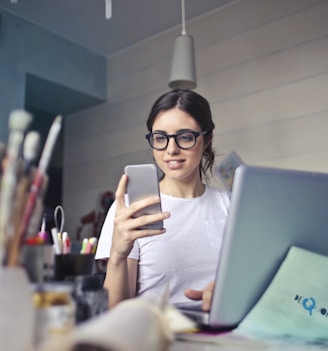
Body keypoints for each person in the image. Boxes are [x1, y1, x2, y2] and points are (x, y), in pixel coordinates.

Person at [95, 89, 230, 311]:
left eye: (185, 137)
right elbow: (115, 312)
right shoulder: (131, 209)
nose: (171, 149)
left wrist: (227, 295)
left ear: (207, 140)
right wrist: (118, 255)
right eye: (160, 138)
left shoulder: (231, 206)